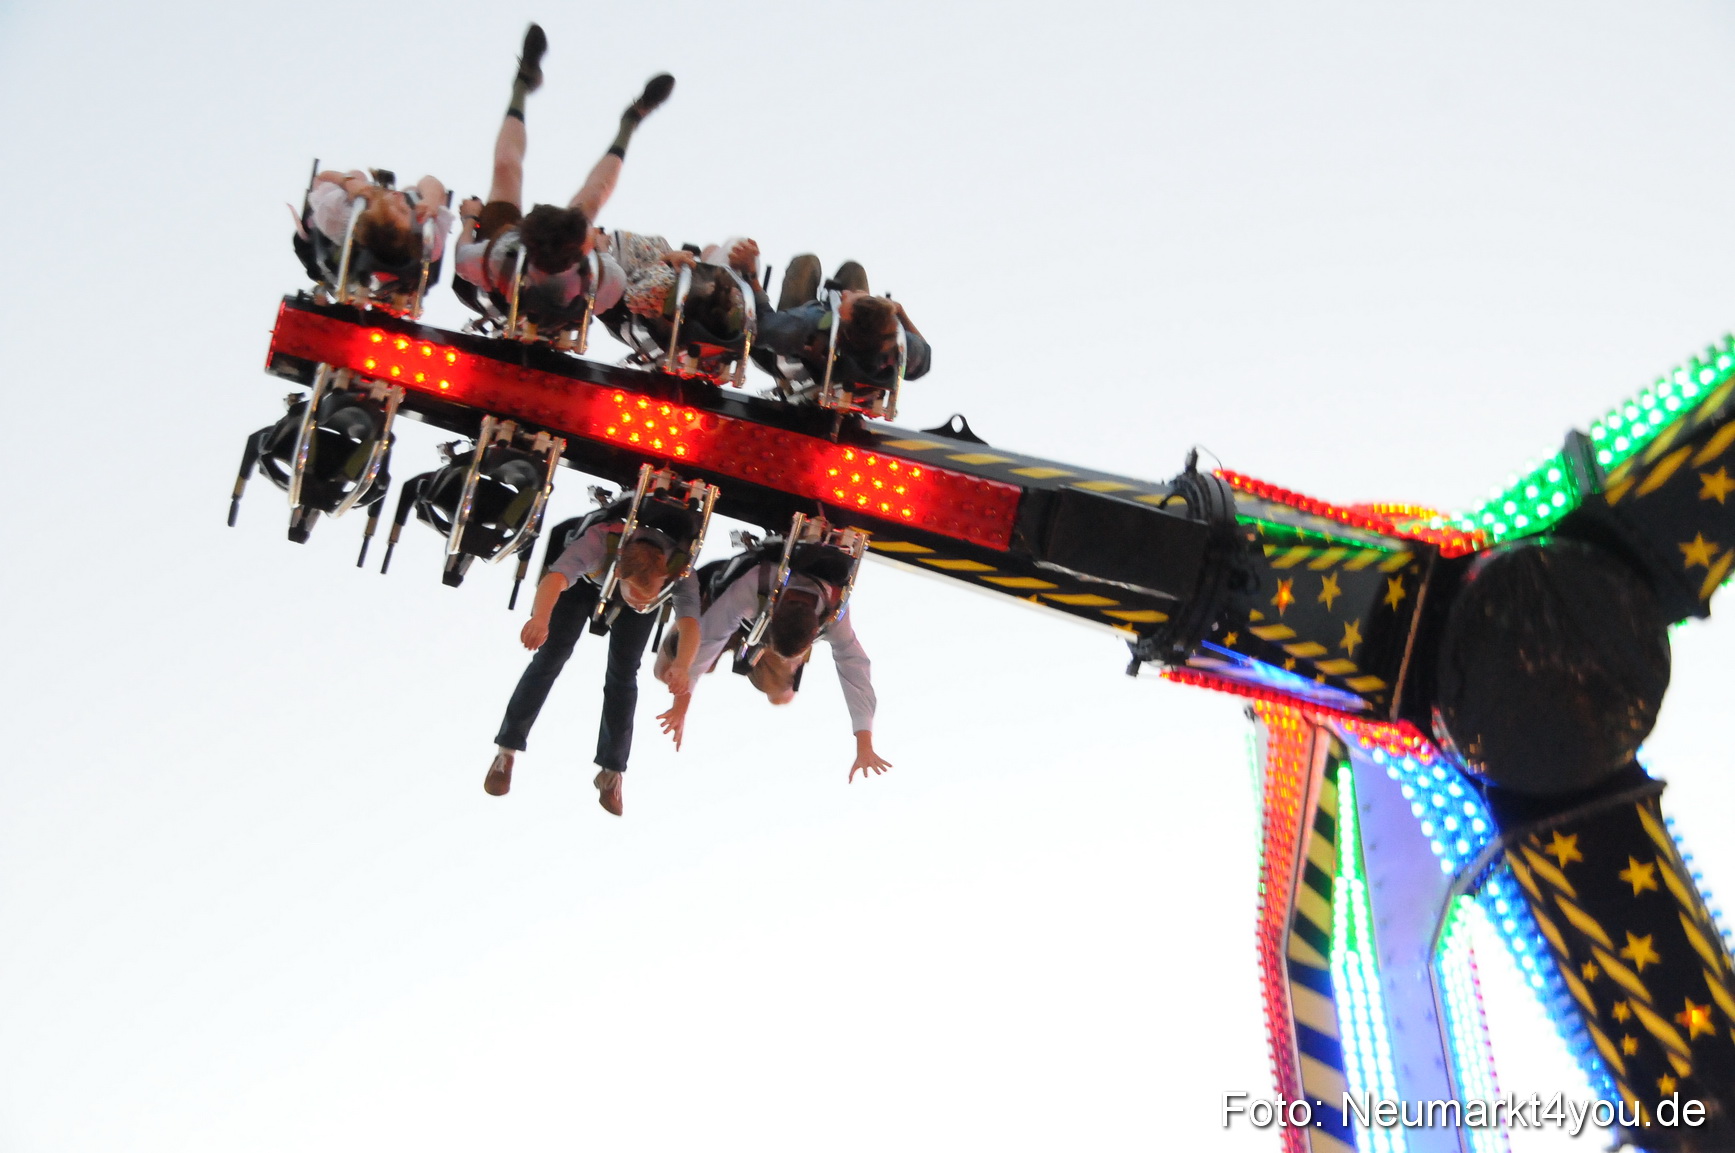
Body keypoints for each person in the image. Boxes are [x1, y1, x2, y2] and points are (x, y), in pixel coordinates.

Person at [454, 24, 674, 327]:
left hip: (512, 277)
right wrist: (598, 246)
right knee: (515, 169)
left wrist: (470, 218)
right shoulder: (602, 276)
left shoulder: (496, 253)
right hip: (520, 278)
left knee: (569, 192)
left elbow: (463, 257)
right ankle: (526, 83)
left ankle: (629, 121)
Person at [486, 513, 701, 816]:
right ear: (622, 578)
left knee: (624, 674)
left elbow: (690, 624)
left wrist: (682, 665)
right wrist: (540, 618)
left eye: (648, 595)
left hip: (636, 592)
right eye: (637, 595)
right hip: (588, 584)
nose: (641, 601)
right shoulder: (597, 545)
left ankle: (611, 771)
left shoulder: (679, 570)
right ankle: (506, 751)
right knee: (551, 655)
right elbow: (555, 579)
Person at [652, 549, 891, 782]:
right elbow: (710, 640)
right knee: (666, 673)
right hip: (720, 603)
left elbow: (855, 670)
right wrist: (681, 704)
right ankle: (687, 626)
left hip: (763, 630)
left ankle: (785, 661)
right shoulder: (754, 585)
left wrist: (864, 743)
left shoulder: (835, 615)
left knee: (781, 695)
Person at [756, 255, 930, 392]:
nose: (845, 293)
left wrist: (751, 278)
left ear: (844, 323)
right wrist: (899, 311)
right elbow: (925, 359)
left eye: (848, 299)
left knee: (806, 264)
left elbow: (761, 328)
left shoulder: (808, 323)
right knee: (853, 269)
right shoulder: (900, 345)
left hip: (792, 357)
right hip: (853, 359)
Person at [301, 169, 454, 286]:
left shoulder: (336, 213)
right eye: (404, 210)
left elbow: (321, 178)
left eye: (396, 208)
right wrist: (432, 201)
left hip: (334, 222)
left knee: (357, 175)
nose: (400, 198)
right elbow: (430, 182)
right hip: (375, 247)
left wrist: (347, 181)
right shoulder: (429, 239)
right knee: (412, 192)